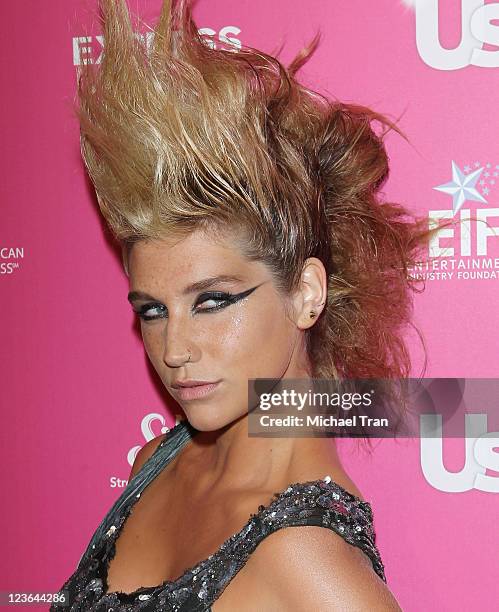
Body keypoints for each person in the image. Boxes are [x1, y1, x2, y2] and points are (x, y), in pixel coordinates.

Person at [52, 0, 440, 609]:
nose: (174, 350)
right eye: (152, 310)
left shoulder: (307, 560)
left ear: (306, 293)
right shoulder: (159, 460)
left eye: (213, 301)